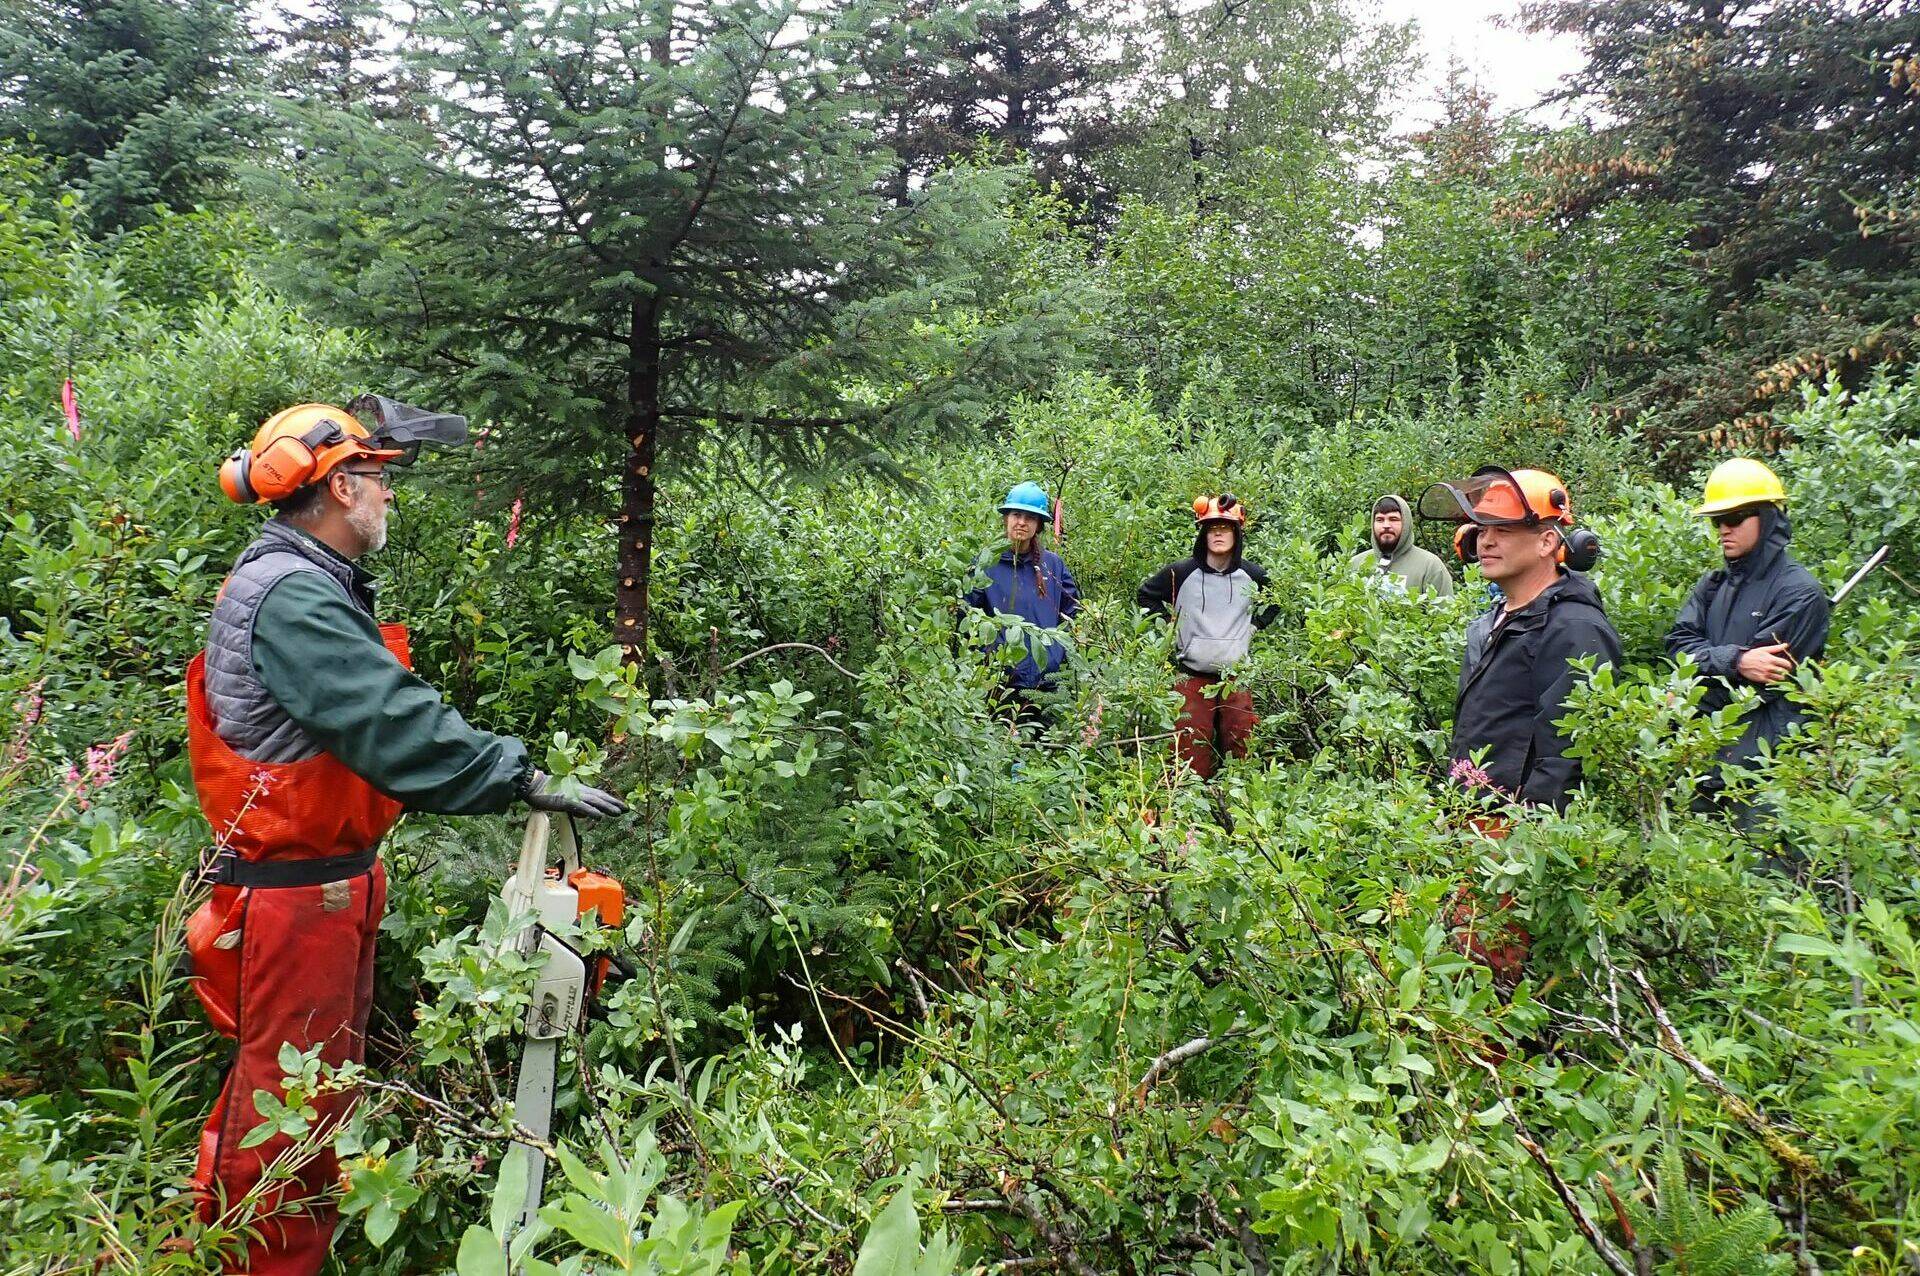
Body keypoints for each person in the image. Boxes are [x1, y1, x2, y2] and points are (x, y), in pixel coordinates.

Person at [187, 401, 626, 1275]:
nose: (390, 496)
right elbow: (393, 722)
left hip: (325, 887)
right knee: (287, 1113)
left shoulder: (310, 578)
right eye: (379, 480)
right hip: (293, 901)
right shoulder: (292, 596)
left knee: (304, 1105)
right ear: (341, 487)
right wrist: (519, 777)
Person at [1419, 466, 1622, 810]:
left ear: (1547, 541)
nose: (1486, 540)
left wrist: (1521, 840)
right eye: (1482, 529)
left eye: (1503, 529)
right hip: (1472, 817)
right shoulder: (1496, 619)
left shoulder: (1574, 628)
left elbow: (1565, 762)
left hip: (1514, 839)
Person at [1665, 457, 1830, 789]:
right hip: (1699, 762)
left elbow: (1756, 685)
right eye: (1718, 520)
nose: (1725, 528)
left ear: (1767, 517)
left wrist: (1695, 679)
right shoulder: (1713, 585)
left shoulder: (1800, 593)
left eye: (1735, 517)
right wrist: (1737, 660)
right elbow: (1677, 648)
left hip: (1766, 772)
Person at [1136, 494, 1277, 778]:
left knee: (1241, 750)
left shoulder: (1252, 575)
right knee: (1189, 755)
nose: (1218, 534)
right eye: (1212, 528)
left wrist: (1255, 626)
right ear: (1203, 534)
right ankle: (1188, 814)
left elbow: (1278, 598)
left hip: (1235, 678)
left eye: (1225, 528)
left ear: (1237, 533)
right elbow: (1145, 595)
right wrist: (1169, 626)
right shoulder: (1181, 571)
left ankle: (1236, 809)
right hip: (1191, 676)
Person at [963, 480, 1080, 720]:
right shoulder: (985, 564)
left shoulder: (1052, 566)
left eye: (1030, 517)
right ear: (1006, 518)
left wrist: (1057, 657)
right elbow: (966, 619)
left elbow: (1073, 614)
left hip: (1046, 687)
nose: (1022, 522)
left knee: (1042, 753)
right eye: (1016, 514)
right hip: (998, 685)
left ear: (1039, 525)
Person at [1351, 494, 1454, 596]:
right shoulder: (1356, 564)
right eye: (1380, 520)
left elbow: (1445, 610)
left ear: (1406, 523)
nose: (1386, 525)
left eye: (1393, 519)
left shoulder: (1430, 566)